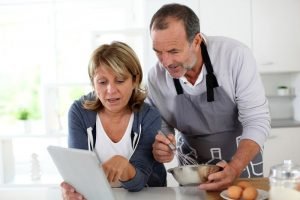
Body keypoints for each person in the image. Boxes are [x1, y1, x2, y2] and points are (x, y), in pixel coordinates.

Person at [147, 3, 271, 191]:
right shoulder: (155, 77)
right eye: (158, 52)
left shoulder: (234, 56)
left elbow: (257, 120)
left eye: (173, 51)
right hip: (192, 172)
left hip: (241, 163)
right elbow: (163, 128)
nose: (165, 62)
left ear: (196, 41)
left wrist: (235, 167)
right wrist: (162, 148)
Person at [61, 41, 166, 199]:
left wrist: (124, 166)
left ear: (135, 80)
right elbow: (80, 174)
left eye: (120, 80)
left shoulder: (149, 116)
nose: (111, 90)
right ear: (93, 83)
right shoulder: (79, 112)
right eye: (102, 82)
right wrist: (73, 190)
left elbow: (140, 181)